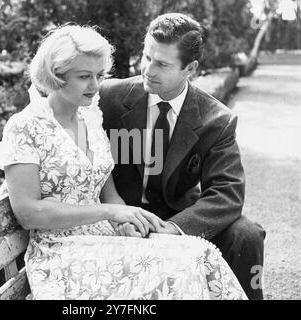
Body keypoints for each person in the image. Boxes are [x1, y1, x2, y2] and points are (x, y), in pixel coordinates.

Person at [0, 24, 247, 300]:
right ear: (56, 75)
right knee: (180, 267)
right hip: (61, 253)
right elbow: (28, 213)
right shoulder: (25, 126)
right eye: (84, 76)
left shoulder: (91, 118)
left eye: (99, 75)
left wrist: (126, 222)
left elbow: (110, 196)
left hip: (107, 239)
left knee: (201, 254)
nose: (95, 86)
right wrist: (109, 214)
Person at [99, 13, 266, 300]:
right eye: (146, 57)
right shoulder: (107, 97)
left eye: (162, 64)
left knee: (247, 235)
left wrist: (174, 229)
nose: (148, 70)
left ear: (191, 68)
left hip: (178, 217)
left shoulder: (217, 120)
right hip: (117, 213)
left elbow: (227, 193)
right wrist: (117, 215)